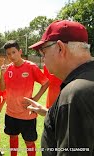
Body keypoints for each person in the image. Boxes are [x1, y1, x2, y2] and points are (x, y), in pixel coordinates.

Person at [28, 20, 94, 156]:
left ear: (60, 48)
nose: (43, 59)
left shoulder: (75, 93)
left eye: (43, 52)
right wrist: (50, 113)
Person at [0, 40, 49, 156]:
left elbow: (45, 83)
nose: (11, 56)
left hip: (27, 114)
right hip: (11, 113)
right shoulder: (7, 69)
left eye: (14, 52)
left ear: (20, 51)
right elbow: (2, 89)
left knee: (29, 142)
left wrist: (35, 99)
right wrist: (2, 74)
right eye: (8, 54)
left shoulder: (31, 67)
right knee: (13, 137)